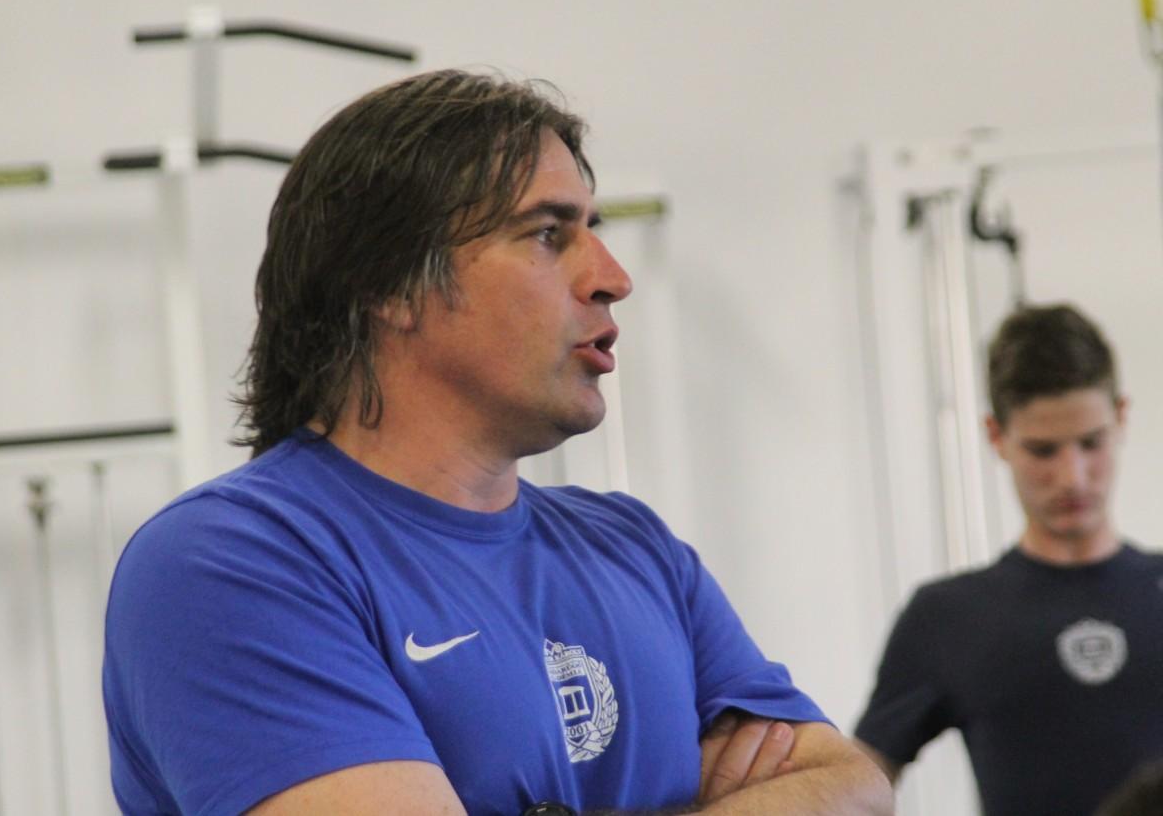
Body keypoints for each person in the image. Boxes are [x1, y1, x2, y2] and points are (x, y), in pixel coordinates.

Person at [102, 69, 891, 816]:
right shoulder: (230, 561)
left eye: (593, 230)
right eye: (548, 233)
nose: (613, 277)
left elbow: (856, 788)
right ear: (389, 284)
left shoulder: (637, 549)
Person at [854, 303, 1163, 816]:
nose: (1073, 477)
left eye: (1091, 443)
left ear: (1122, 417)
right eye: (1043, 451)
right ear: (996, 436)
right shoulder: (947, 616)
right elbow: (856, 786)